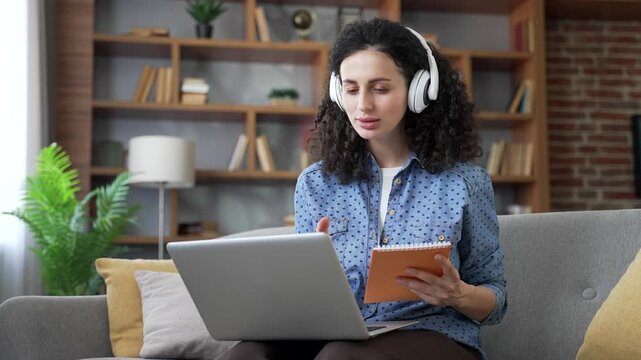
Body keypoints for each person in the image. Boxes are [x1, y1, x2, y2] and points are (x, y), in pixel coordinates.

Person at [220, 17, 506, 360]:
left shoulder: (464, 183)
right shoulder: (315, 183)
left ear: (419, 91)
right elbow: (301, 297)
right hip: (342, 334)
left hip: (434, 334)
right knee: (245, 355)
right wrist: (310, 276)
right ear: (337, 93)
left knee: (341, 356)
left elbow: (496, 298)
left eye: (380, 89)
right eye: (352, 89)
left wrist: (457, 294)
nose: (363, 105)